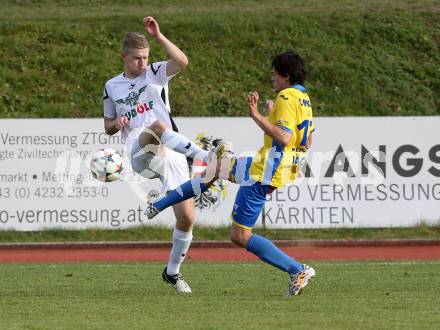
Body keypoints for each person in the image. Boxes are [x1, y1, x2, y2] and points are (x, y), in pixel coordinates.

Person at [144, 51, 316, 296]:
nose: (272, 77)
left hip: (266, 170)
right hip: (277, 167)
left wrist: (257, 116)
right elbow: (307, 140)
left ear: (286, 75)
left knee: (240, 235)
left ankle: (297, 269)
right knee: (214, 169)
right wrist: (271, 116)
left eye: (274, 73)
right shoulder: (303, 98)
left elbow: (284, 137)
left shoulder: (287, 96)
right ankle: (159, 204)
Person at [103, 16, 195, 293]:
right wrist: (115, 124)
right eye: (137, 58)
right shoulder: (112, 86)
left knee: (187, 218)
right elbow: (107, 125)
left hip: (172, 151)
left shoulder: (155, 73)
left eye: (145, 57)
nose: (142, 63)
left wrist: (159, 37)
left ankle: (172, 273)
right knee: (155, 127)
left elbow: (182, 62)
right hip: (138, 149)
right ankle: (200, 158)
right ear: (124, 56)